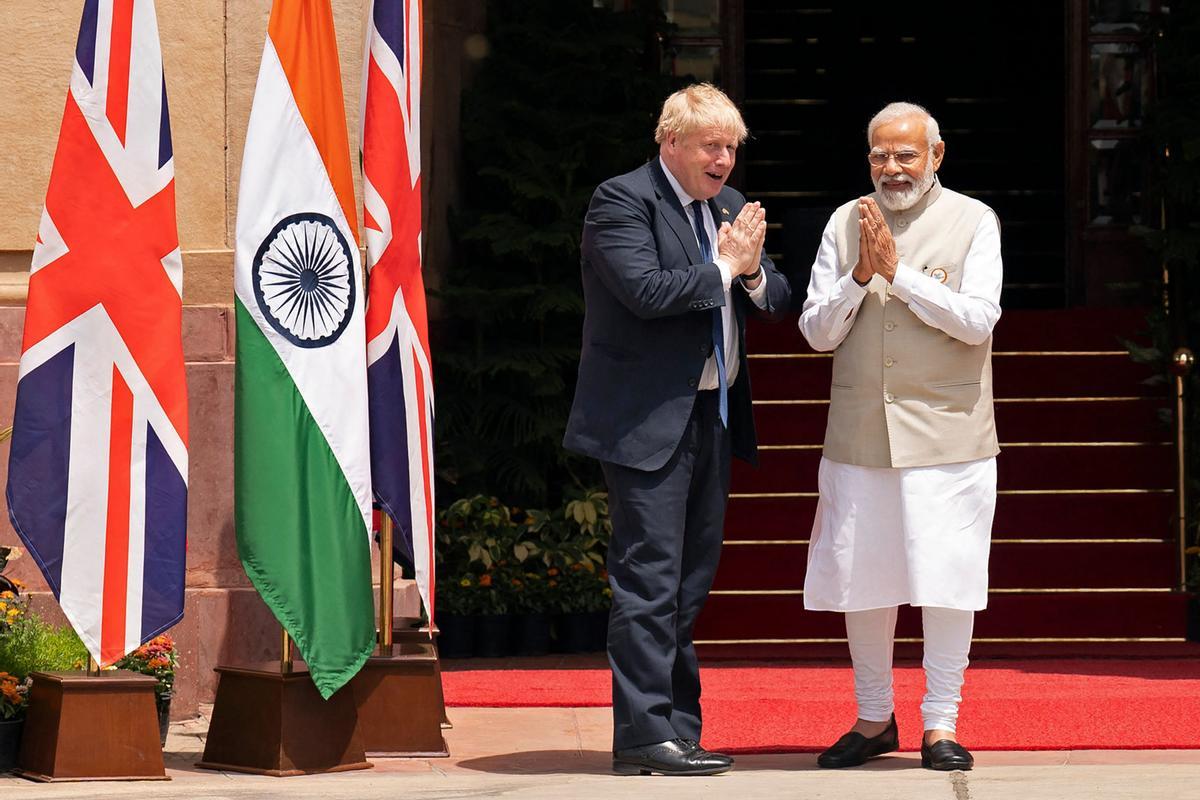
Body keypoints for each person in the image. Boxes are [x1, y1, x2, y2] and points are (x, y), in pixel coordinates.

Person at [564, 83, 791, 776]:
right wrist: (725, 266)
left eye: (732, 148)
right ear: (671, 142)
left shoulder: (725, 207)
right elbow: (649, 292)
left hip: (709, 414)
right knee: (649, 581)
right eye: (710, 147)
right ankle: (640, 736)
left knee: (689, 584)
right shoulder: (622, 201)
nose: (724, 160)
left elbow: (777, 296)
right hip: (644, 423)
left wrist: (749, 275)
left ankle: (676, 731)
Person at [798, 101, 1003, 771]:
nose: (891, 168)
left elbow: (977, 320)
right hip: (862, 431)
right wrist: (861, 276)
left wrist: (900, 276)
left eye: (905, 155)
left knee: (948, 580)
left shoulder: (974, 220)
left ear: (936, 156)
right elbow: (817, 332)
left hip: (949, 435)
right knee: (865, 578)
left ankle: (941, 724)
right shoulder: (844, 221)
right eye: (880, 156)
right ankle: (873, 716)